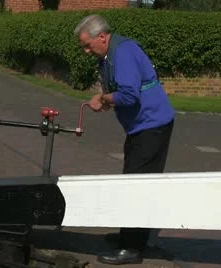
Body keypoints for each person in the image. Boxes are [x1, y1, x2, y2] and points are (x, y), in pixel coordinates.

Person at [73, 14, 175, 265]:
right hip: (142, 127)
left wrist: (104, 99)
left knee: (137, 184)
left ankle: (132, 248)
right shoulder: (110, 54)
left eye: (88, 45)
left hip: (153, 125)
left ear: (102, 37)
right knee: (134, 179)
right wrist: (107, 99)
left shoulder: (124, 52)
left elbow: (129, 96)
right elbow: (123, 92)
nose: (86, 51)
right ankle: (129, 236)